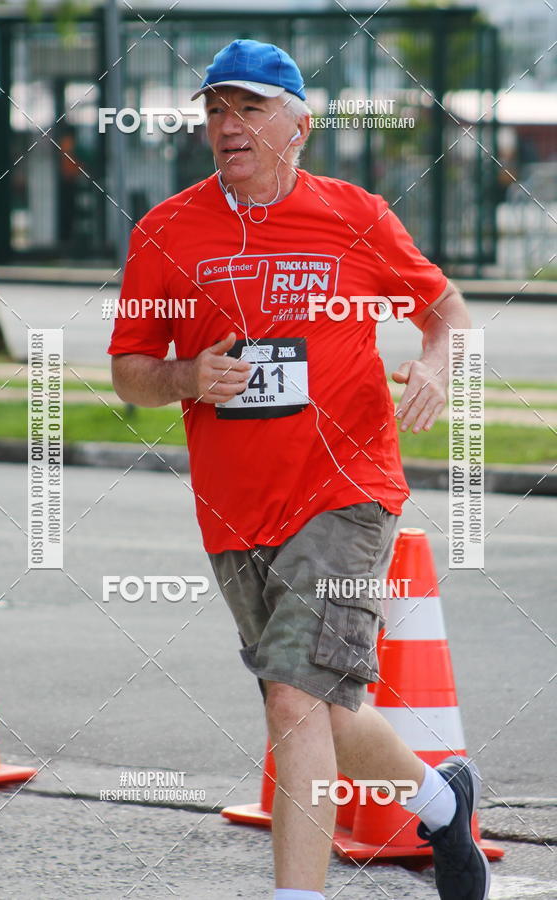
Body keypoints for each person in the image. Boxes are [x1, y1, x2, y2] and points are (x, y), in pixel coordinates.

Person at [108, 39, 490, 900]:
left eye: (248, 108)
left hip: (347, 491)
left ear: (300, 126)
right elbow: (129, 370)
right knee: (318, 705)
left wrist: (436, 366)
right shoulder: (166, 231)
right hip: (236, 509)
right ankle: (440, 799)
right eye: (214, 109)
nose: (226, 125)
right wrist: (183, 376)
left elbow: (448, 313)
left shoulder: (353, 216)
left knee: (290, 700)